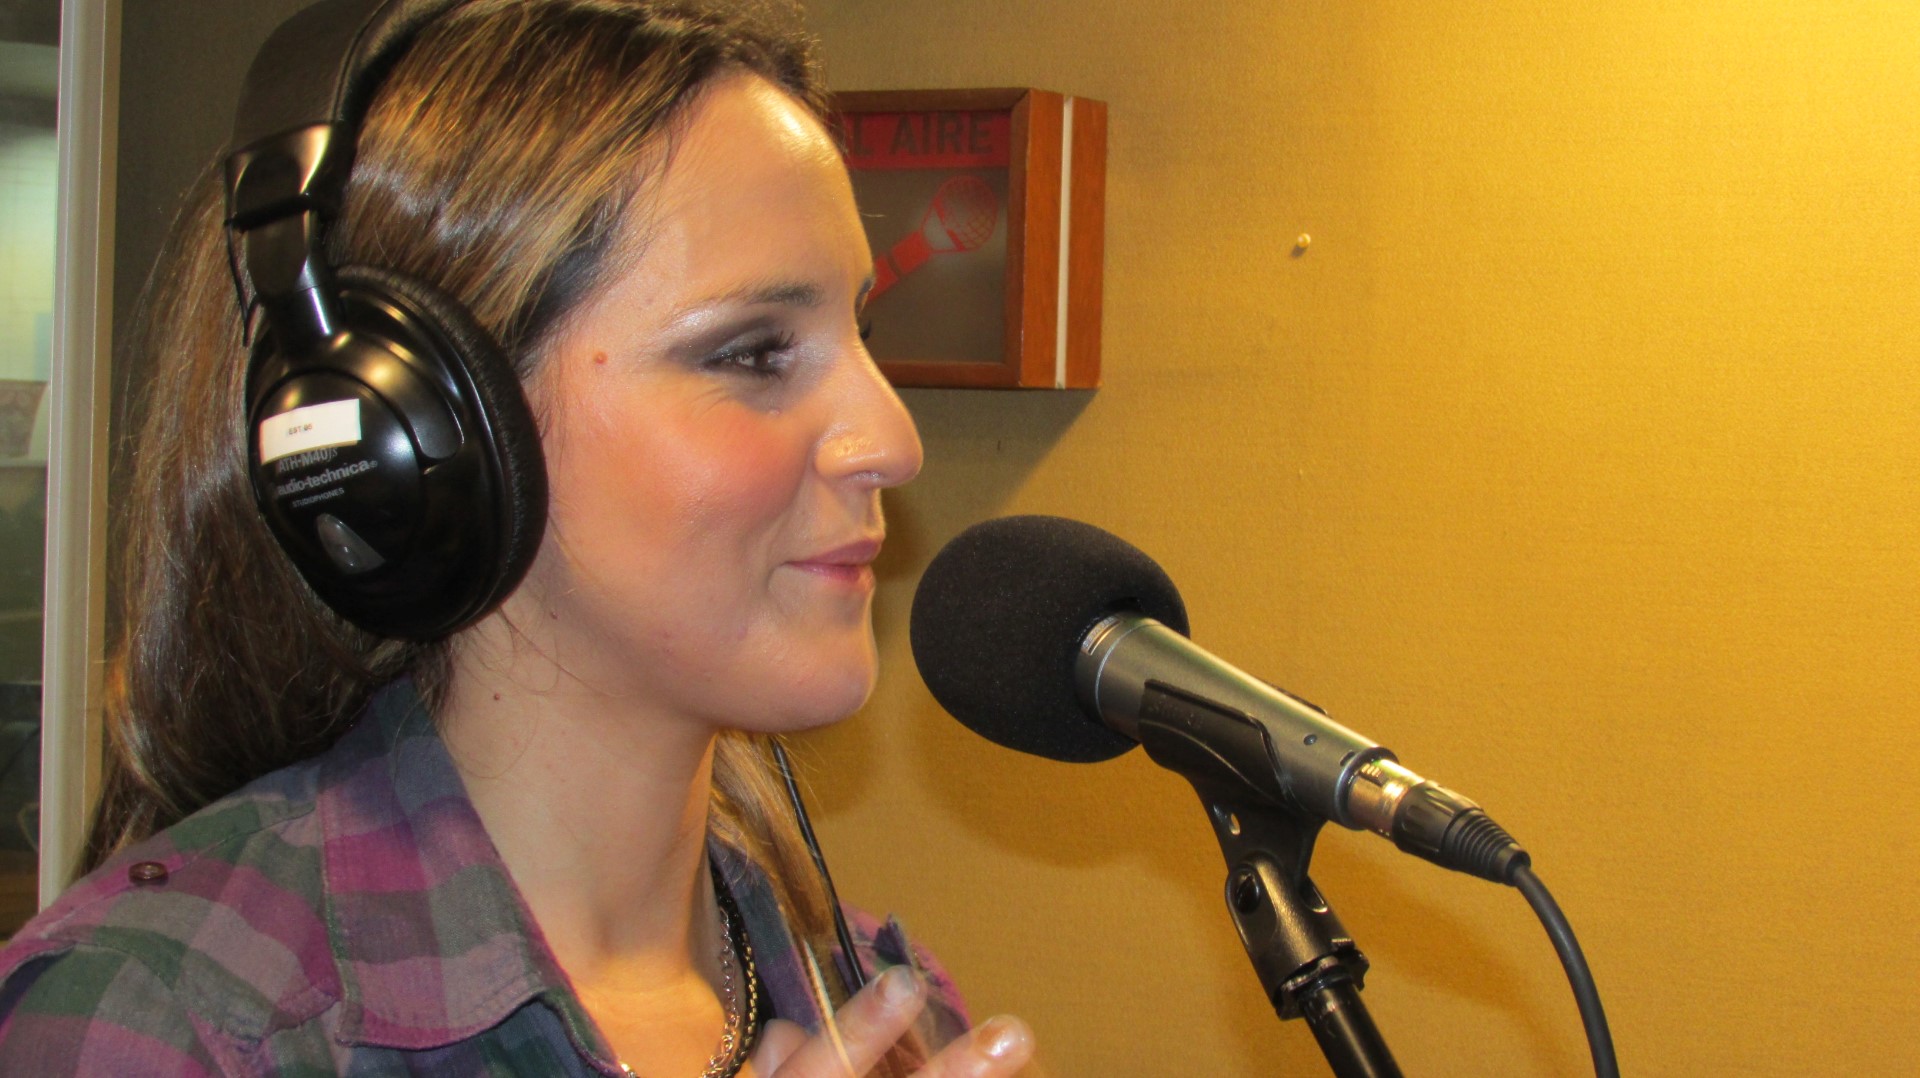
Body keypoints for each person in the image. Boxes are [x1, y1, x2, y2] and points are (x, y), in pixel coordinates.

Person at [0, 1, 1036, 1074]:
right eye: (753, 353)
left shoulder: (883, 1016)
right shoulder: (158, 1026)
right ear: (424, 438)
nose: (893, 442)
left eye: (861, 334)